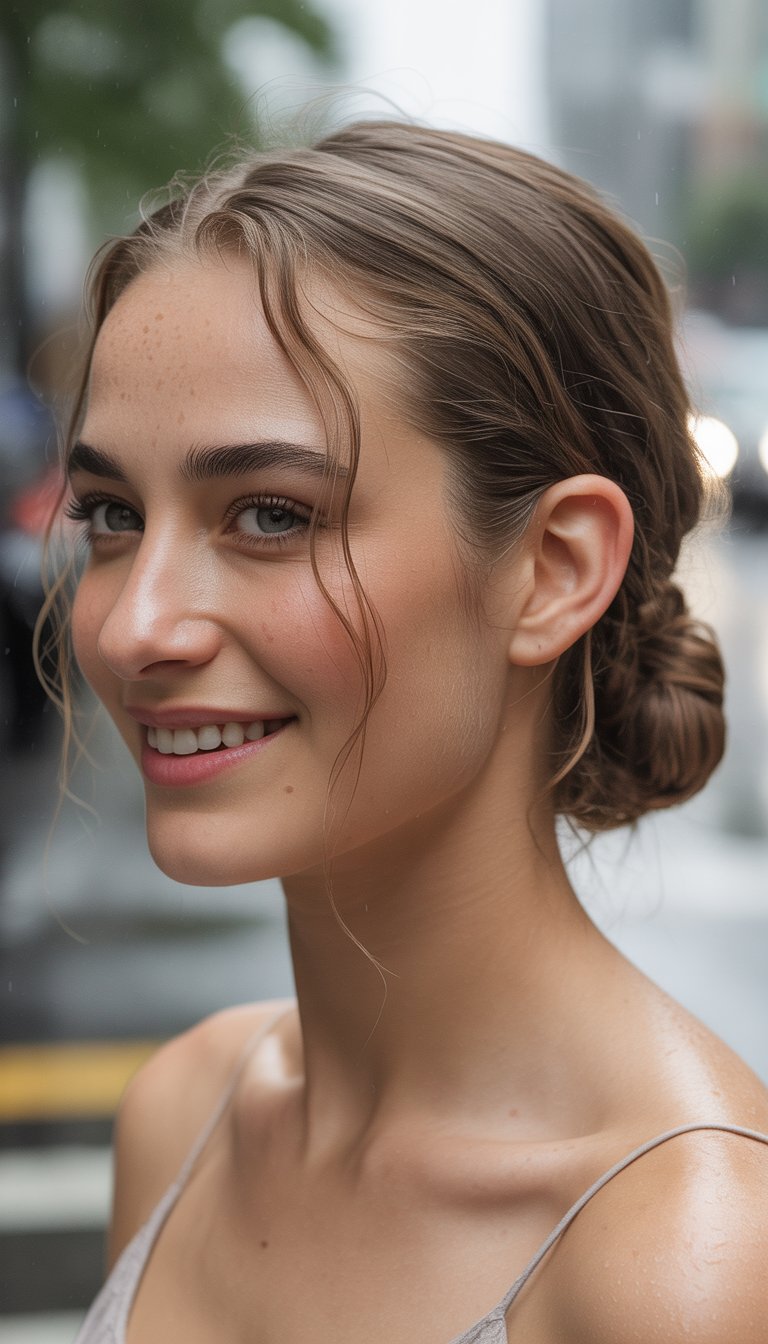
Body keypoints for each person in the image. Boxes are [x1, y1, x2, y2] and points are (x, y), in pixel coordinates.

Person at [41, 120, 768, 1342]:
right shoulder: (186, 1113)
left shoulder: (682, 1262)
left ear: (550, 569)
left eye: (270, 514)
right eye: (113, 511)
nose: (134, 627)